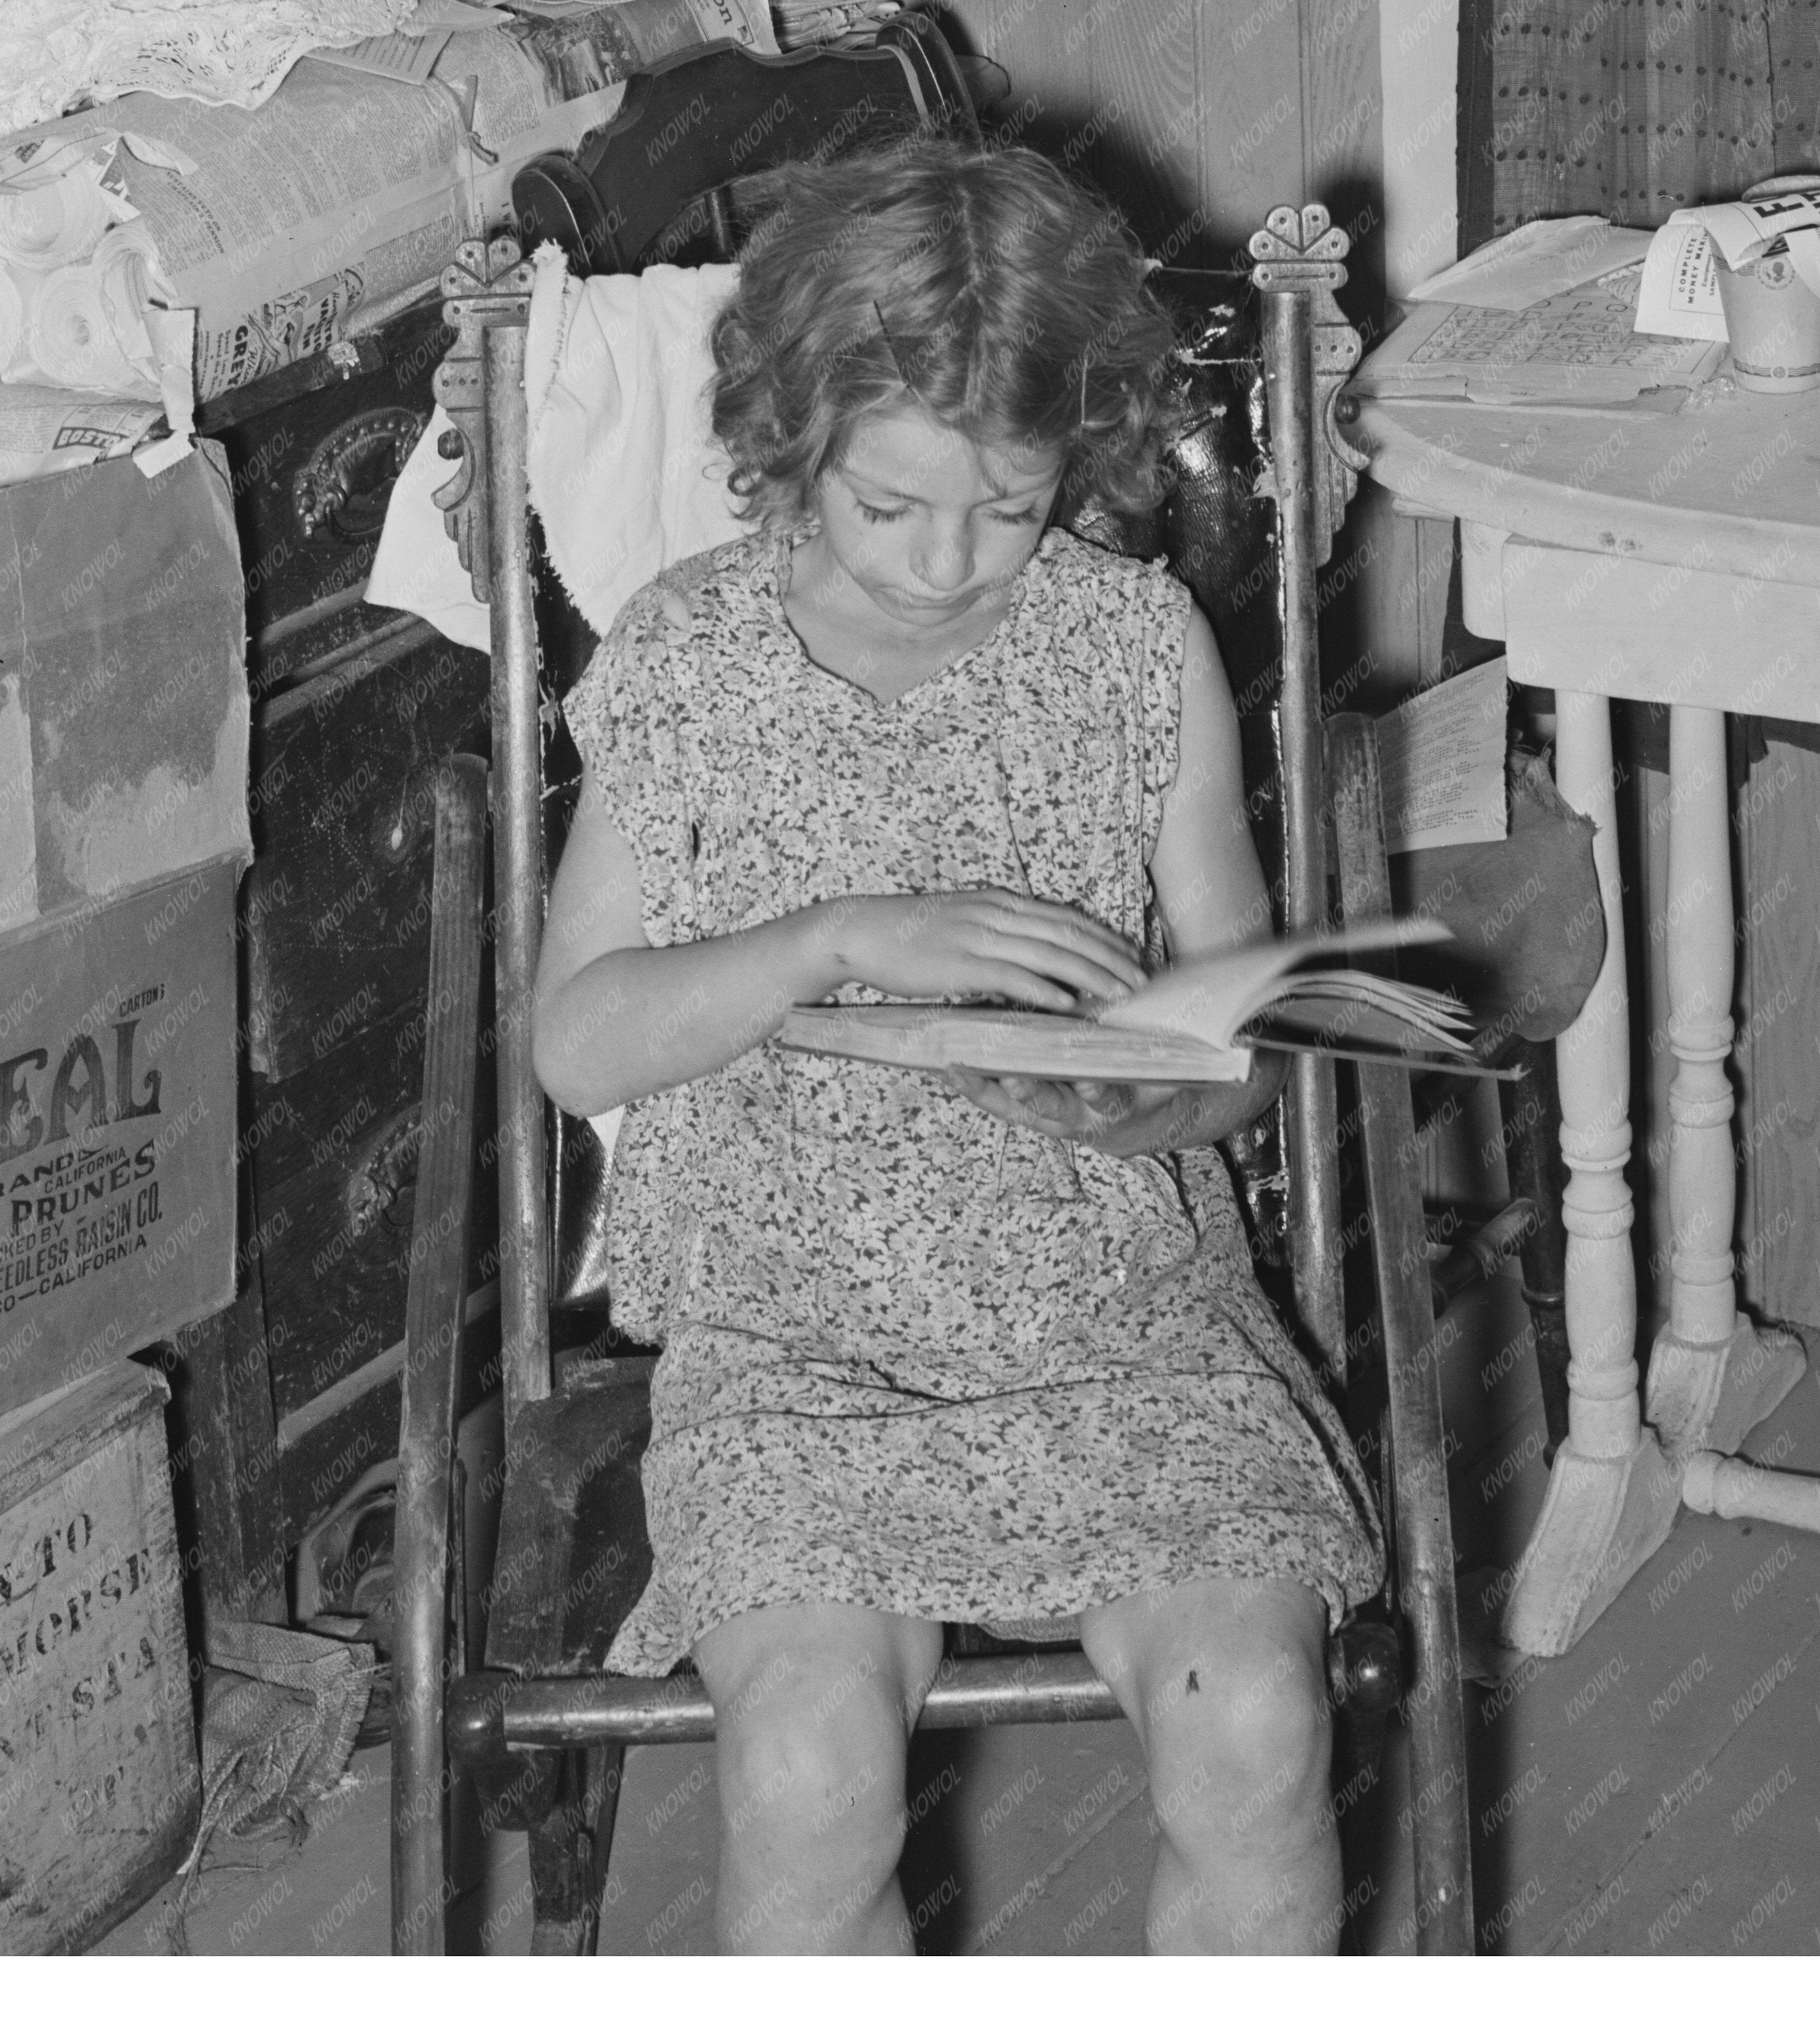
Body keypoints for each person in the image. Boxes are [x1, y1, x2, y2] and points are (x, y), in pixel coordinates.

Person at [533, 137, 1379, 1957]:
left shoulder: (1131, 642)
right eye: (889, 505)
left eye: (1004, 506)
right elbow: (582, 1043)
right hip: (794, 1323)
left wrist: (1164, 1077)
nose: (946, 562)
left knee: (1258, 1719)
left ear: (1083, 445)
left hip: (1113, 1299)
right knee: (811, 1764)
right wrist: (834, 938)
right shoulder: (689, 655)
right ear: (789, 437)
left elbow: (1234, 1018)